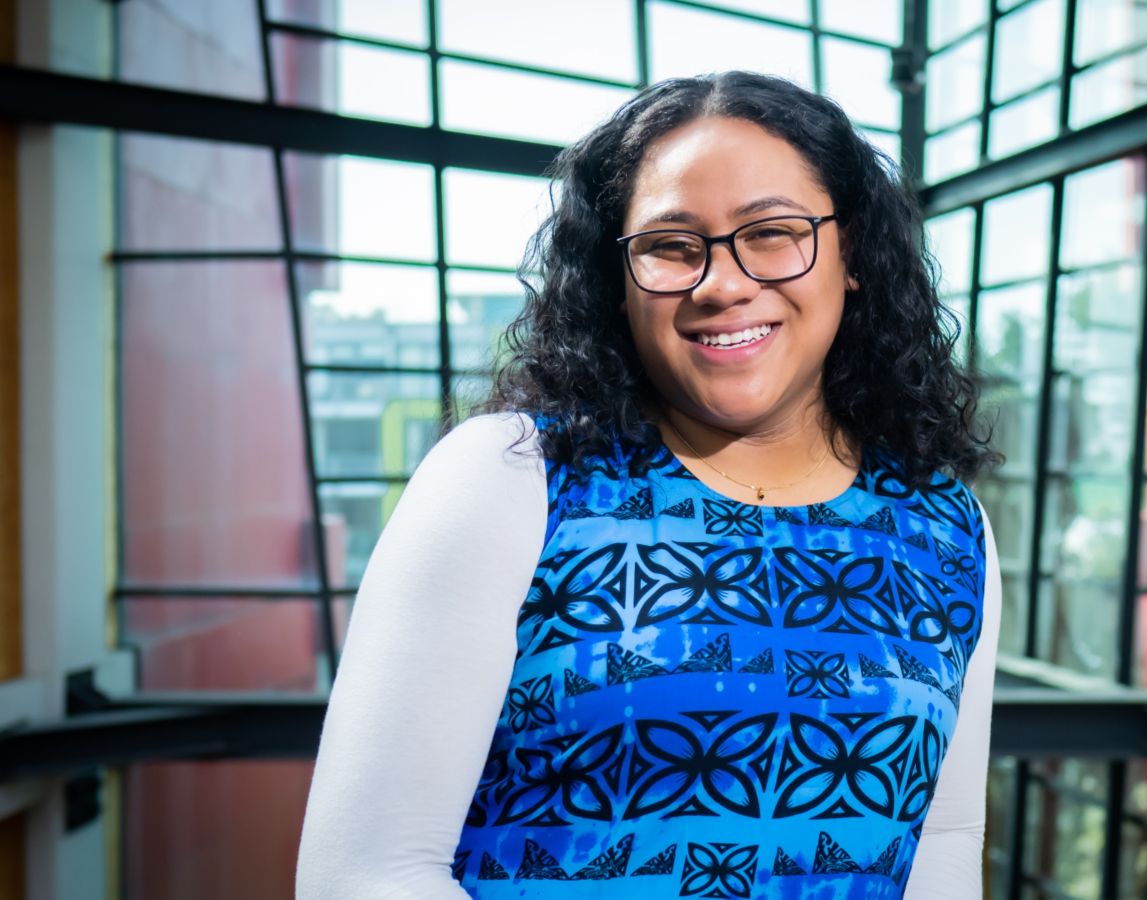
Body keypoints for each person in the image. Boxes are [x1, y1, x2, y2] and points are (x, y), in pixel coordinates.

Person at [295, 70, 1002, 900]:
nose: (721, 284)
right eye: (672, 246)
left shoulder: (945, 525)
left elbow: (943, 842)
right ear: (617, 280)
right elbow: (365, 873)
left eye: (772, 232)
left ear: (853, 257)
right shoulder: (513, 478)